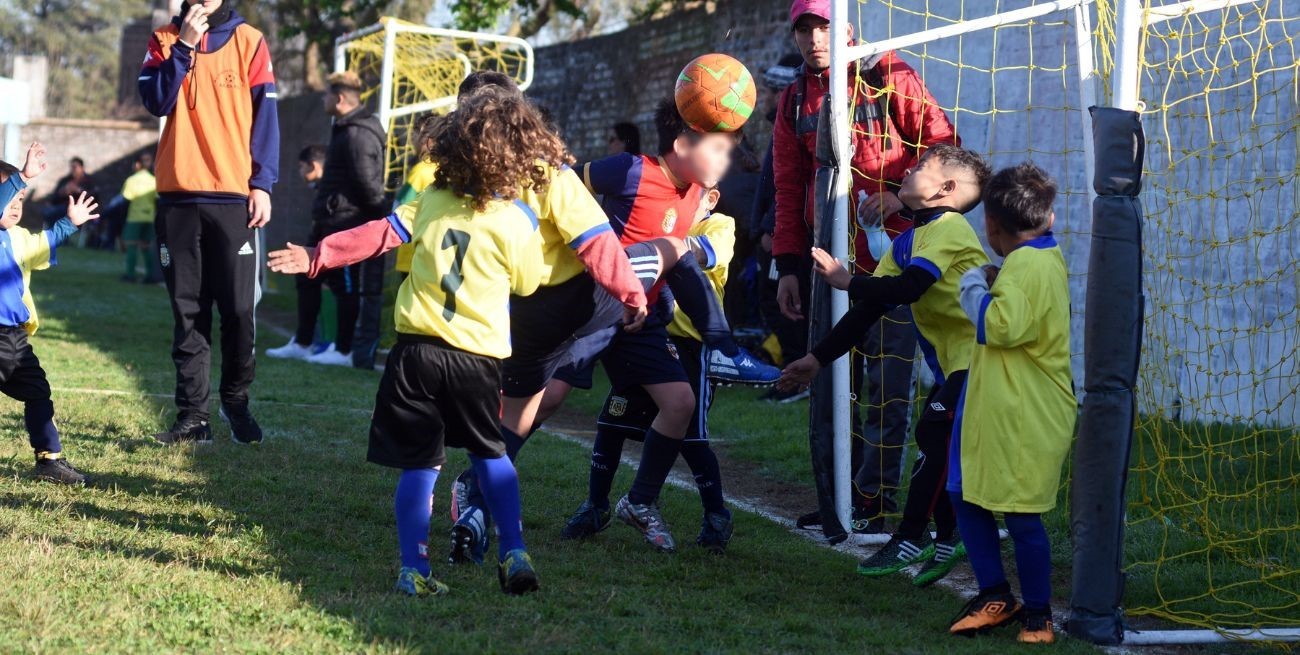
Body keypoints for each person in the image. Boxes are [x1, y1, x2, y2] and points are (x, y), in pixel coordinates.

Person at [268, 86, 548, 596]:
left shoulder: (431, 201)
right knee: (491, 454)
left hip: (415, 354)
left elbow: (377, 234)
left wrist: (317, 255)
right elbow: (529, 284)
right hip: (477, 359)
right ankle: (513, 551)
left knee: (421, 464)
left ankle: (414, 569)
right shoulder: (517, 220)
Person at [773, 0, 957, 537]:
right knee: (831, 383)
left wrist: (902, 197)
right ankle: (838, 496)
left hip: (893, 264)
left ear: (848, 30)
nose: (814, 39)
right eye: (804, 29)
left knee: (886, 389)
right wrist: (787, 265)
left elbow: (946, 147)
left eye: (823, 27)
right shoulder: (793, 99)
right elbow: (788, 186)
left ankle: (875, 498)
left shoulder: (888, 73)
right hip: (827, 265)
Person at [779, 144, 991, 587]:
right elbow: (868, 309)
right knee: (943, 446)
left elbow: (910, 288)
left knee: (934, 436)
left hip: (986, 362)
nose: (909, 169)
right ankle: (950, 537)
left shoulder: (951, 228)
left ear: (946, 189)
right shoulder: (908, 240)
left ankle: (912, 536)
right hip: (957, 367)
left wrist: (846, 280)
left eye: (922, 166)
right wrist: (817, 359)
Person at [559, 185, 737, 552]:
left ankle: (716, 515)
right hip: (647, 343)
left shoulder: (718, 226)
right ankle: (596, 505)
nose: (680, 202)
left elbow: (703, 253)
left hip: (691, 347)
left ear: (710, 199)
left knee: (691, 436)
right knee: (612, 422)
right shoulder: (663, 222)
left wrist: (656, 244)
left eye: (691, 195)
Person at [139, 0, 280, 445]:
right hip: (177, 197)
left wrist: (263, 184)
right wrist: (183, 46)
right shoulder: (163, 39)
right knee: (189, 313)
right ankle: (193, 418)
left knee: (238, 310)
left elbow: (266, 118)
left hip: (234, 197)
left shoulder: (250, 41)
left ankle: (235, 398)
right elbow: (156, 101)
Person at [947, 163, 1074, 644]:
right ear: (1050, 217)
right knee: (964, 493)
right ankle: (995, 596)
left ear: (991, 225)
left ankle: (1039, 616)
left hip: (1025, 412)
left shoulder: (1027, 266)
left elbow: (996, 326)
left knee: (1021, 514)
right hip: (997, 406)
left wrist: (972, 283)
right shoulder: (1038, 257)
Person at [267, 72, 386, 367]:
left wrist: (369, 226)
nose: (323, 99)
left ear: (340, 99)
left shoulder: (358, 134)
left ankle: (344, 350)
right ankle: (304, 342)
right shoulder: (344, 129)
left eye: (327, 95)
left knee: (345, 287)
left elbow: (369, 186)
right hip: (328, 223)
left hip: (345, 225)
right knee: (306, 276)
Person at [0, 143, 101, 485]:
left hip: (13, 338)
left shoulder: (17, 238)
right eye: (9, 198)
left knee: (38, 391)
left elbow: (44, 243)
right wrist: (22, 176)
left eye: (20, 199)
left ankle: (49, 460)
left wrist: (69, 223)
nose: (16, 205)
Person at [120, 153, 159, 283]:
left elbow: (126, 200)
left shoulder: (131, 180)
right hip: (149, 218)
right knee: (146, 246)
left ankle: (130, 275)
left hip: (134, 218)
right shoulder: (154, 180)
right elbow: (157, 200)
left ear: (137, 164)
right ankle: (150, 276)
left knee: (131, 245)